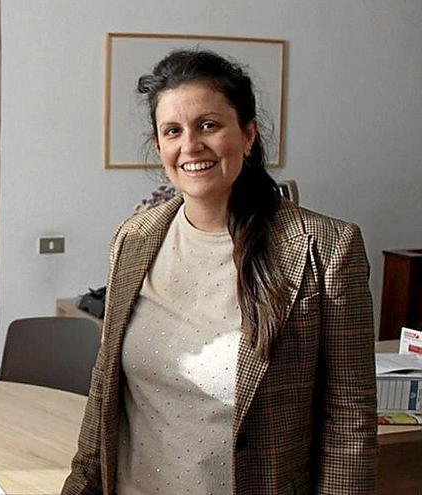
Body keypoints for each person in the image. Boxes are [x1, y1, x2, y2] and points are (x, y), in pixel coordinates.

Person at [62, 49, 376, 495]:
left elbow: (349, 418)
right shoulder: (133, 239)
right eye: (173, 131)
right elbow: (105, 391)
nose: (190, 145)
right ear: (159, 147)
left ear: (248, 135)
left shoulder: (325, 249)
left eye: (208, 125)